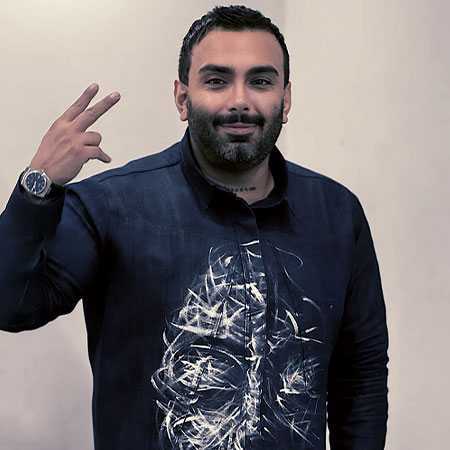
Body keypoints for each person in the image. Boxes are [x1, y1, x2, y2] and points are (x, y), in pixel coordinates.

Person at [0, 5, 389, 450]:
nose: (240, 100)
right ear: (182, 99)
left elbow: (361, 375)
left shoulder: (337, 214)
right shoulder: (110, 206)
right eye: (217, 80)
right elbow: (11, 306)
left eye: (261, 81)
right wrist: (38, 185)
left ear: (285, 99)